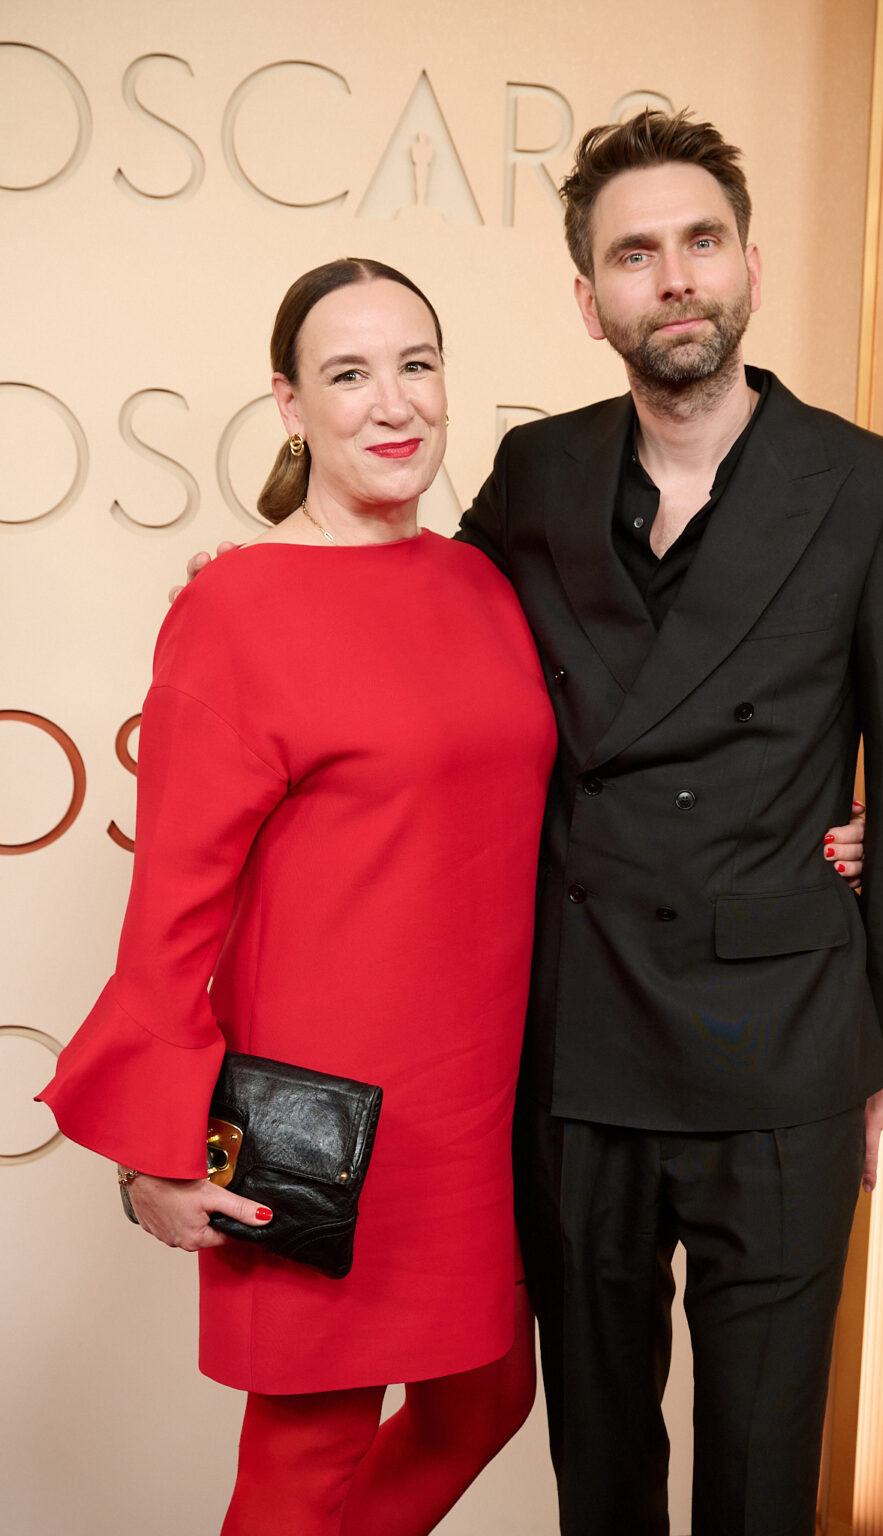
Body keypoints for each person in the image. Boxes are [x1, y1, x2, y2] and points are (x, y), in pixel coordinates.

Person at [454, 111, 883, 1536]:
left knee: (760, 1478)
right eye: (635, 254)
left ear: (748, 267)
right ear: (589, 299)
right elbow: (435, 651)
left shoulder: (877, 491)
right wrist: (275, 583)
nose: (673, 277)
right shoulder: (536, 473)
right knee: (599, 1473)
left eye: (700, 242)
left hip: (786, 1051)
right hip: (582, 1047)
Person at [38, 258, 558, 1536]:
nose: (394, 402)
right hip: (324, 1118)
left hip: (476, 1102)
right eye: (349, 374)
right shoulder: (236, 603)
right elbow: (173, 903)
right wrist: (159, 1150)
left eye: (417, 365)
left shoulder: (484, 582)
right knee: (304, 1460)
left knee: (483, 1401)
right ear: (289, 403)